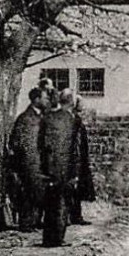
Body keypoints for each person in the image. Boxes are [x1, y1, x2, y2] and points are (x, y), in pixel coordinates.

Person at [38, 84, 84, 247]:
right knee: (61, 205)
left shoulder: (48, 117)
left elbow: (41, 144)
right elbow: (75, 149)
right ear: (71, 103)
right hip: (64, 169)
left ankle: (48, 237)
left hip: (49, 167)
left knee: (50, 204)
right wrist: (75, 172)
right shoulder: (71, 120)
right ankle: (57, 238)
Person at [5, 87, 48, 230]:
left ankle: (36, 220)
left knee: (40, 191)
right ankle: (27, 222)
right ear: (36, 100)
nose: (46, 100)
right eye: (44, 97)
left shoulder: (41, 117)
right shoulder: (25, 118)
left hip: (40, 161)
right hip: (29, 162)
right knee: (29, 192)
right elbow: (19, 142)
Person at [55, 88, 96, 226]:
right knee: (68, 188)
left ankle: (75, 215)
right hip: (69, 159)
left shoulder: (75, 119)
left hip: (77, 159)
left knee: (76, 189)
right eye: (80, 103)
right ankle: (66, 217)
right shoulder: (66, 118)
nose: (83, 106)